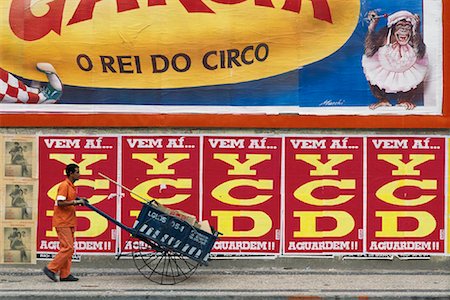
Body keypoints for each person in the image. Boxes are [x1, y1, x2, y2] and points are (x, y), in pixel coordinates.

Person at [43, 164, 88, 282]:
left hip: (69, 221)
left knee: (69, 248)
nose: (79, 174)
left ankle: (65, 274)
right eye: (77, 172)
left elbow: (69, 200)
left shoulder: (71, 186)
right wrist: (76, 202)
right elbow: (60, 203)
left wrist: (79, 200)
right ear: (71, 173)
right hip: (62, 221)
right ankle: (51, 268)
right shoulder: (64, 186)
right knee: (68, 247)